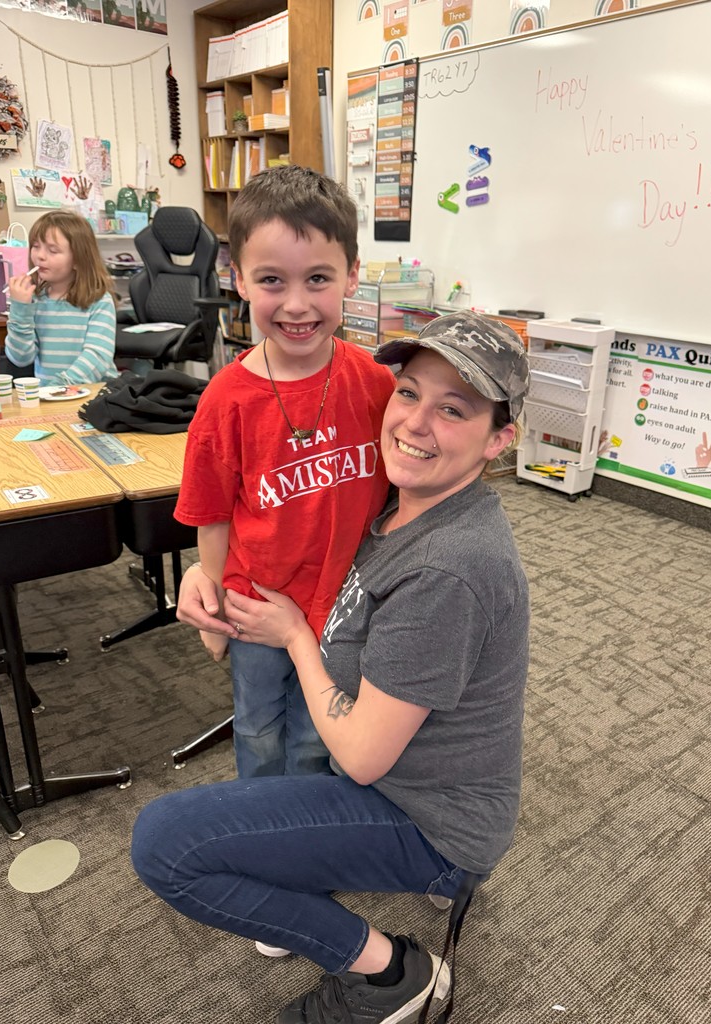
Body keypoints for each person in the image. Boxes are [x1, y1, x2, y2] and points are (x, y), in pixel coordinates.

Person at [132, 310, 531, 1024]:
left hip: (428, 821)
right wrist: (208, 570)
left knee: (167, 845)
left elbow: (362, 756)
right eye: (408, 393)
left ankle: (394, 974)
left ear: (499, 439)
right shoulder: (401, 506)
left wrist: (295, 638)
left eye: (454, 409)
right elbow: (293, 518)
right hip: (410, 786)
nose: (414, 422)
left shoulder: (449, 567)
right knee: (223, 809)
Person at [173, 165, 395, 779]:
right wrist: (214, 604)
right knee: (259, 731)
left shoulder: (376, 383)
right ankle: (264, 825)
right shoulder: (225, 400)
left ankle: (306, 826)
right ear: (239, 279)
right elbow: (212, 515)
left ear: (352, 275)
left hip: (347, 604)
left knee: (318, 738)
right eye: (272, 279)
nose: (297, 304)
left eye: (318, 278)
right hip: (257, 607)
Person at [3, 209, 117, 384]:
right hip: (50, 395)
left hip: (94, 394)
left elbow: (97, 357)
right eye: (35, 246)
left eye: (53, 250)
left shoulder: (100, 301)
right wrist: (19, 309)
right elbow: (21, 358)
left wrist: (59, 387)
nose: (40, 256)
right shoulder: (35, 300)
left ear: (78, 259)